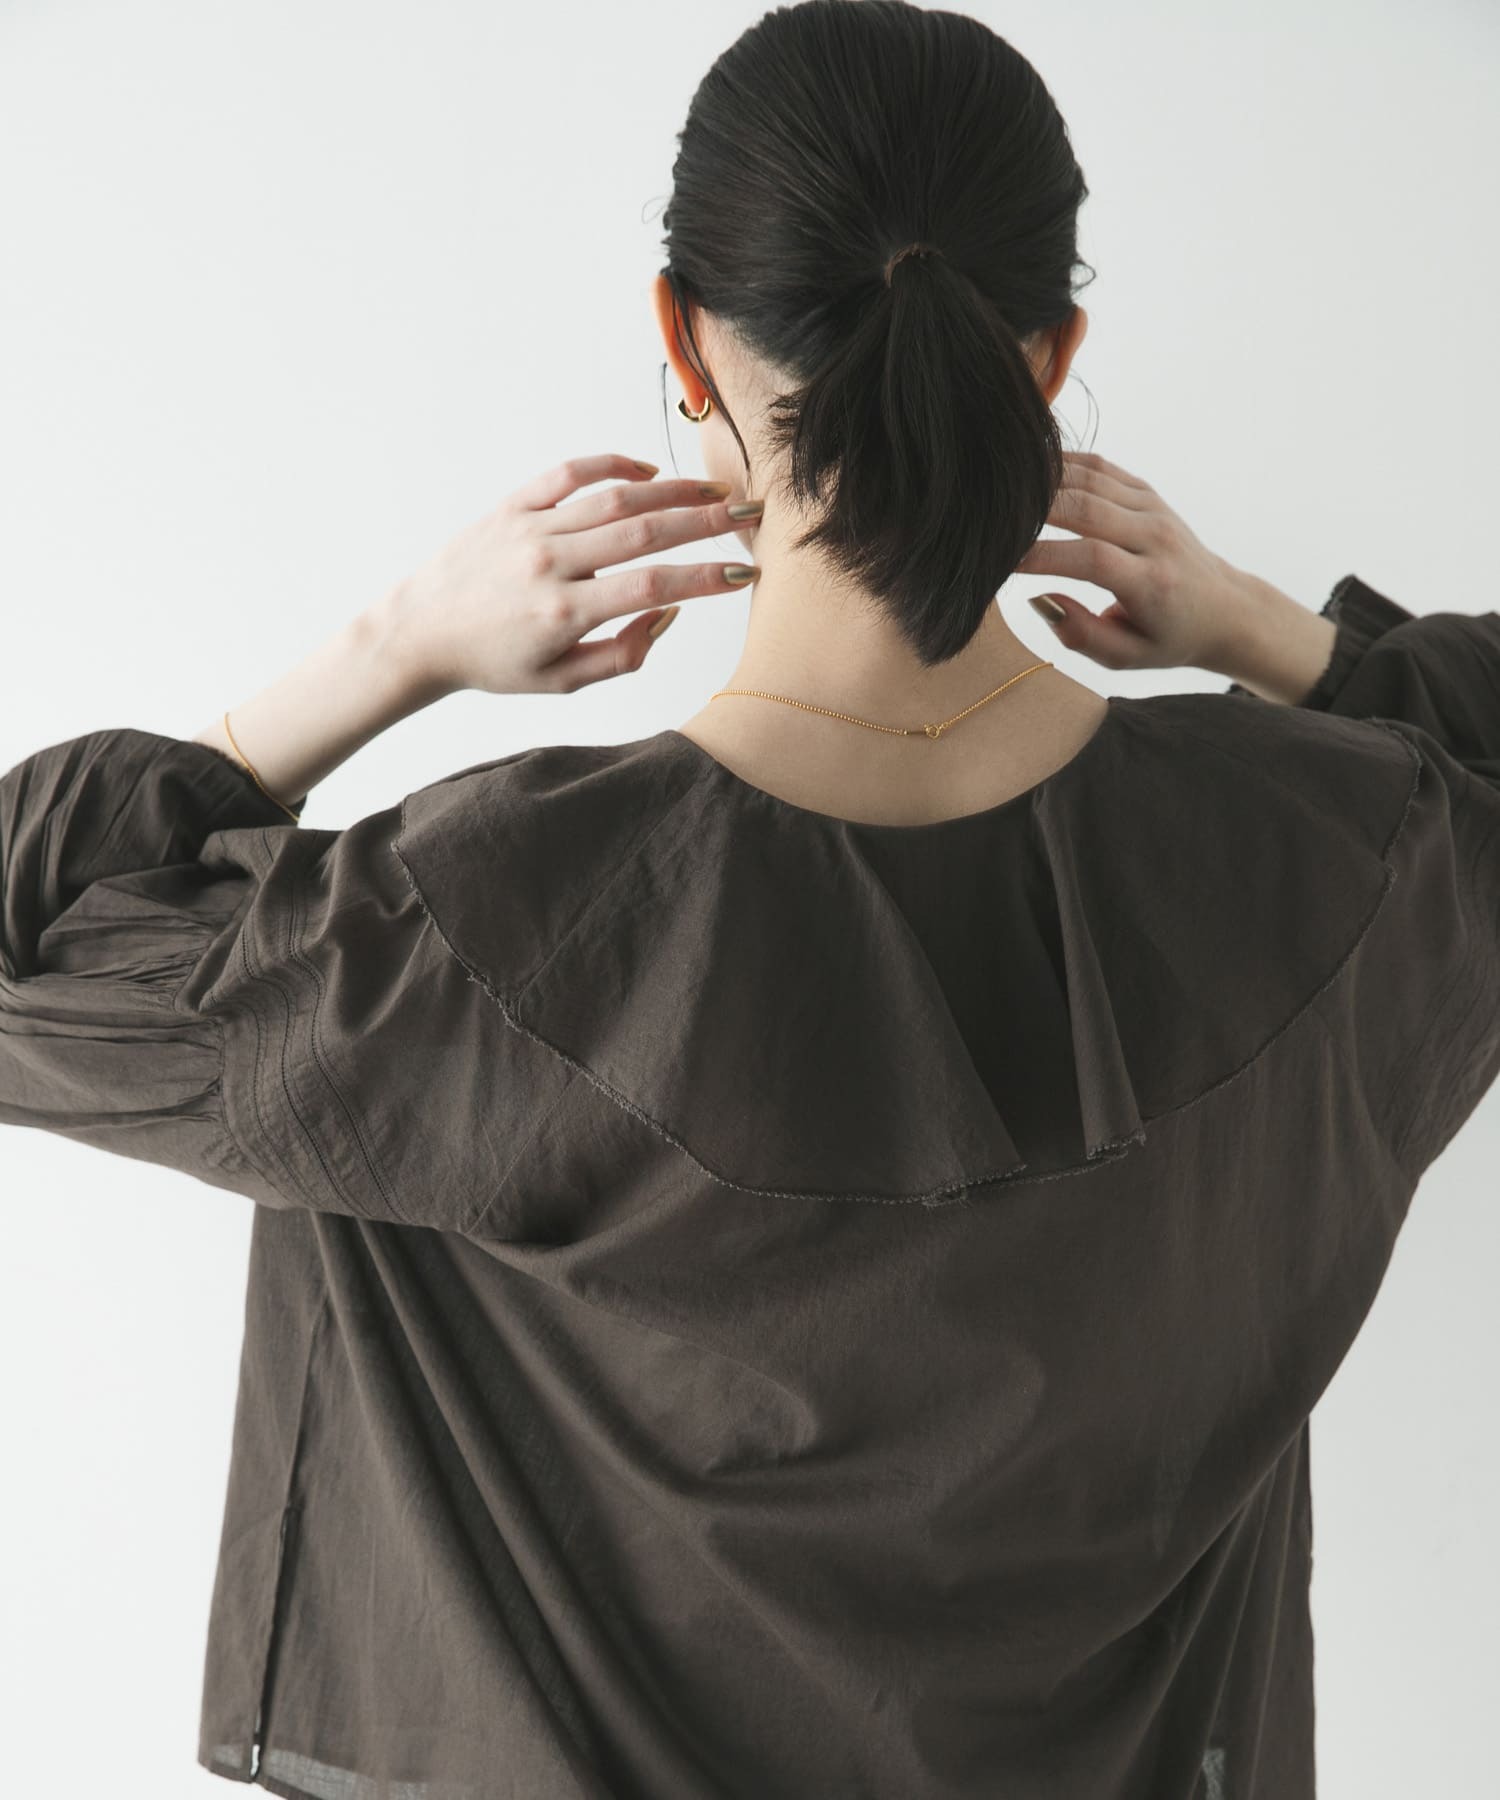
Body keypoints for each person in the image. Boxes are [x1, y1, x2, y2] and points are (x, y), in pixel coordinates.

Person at [2, 4, 1496, 1796]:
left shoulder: (466, 939)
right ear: (1053, 357)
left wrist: (393, 649)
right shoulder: (1351, 866)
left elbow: (29, 930)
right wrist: (1277, 636)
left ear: (682, 340)